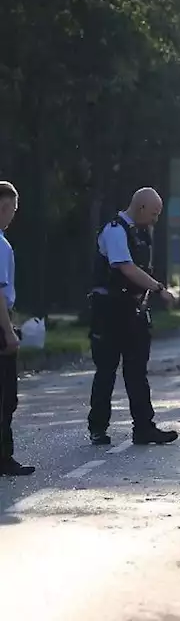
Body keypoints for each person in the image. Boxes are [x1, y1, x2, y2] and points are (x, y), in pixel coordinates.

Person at [87, 187, 179, 446]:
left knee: (137, 370)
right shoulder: (115, 231)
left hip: (134, 310)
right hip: (110, 311)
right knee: (106, 369)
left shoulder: (141, 234)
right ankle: (98, 427)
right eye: (153, 213)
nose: (155, 220)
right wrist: (159, 288)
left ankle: (144, 427)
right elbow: (125, 267)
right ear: (139, 208)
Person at [0, 181, 33, 476]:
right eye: (12, 208)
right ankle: (4, 457)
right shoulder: (0, 244)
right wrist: (8, 329)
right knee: (6, 394)